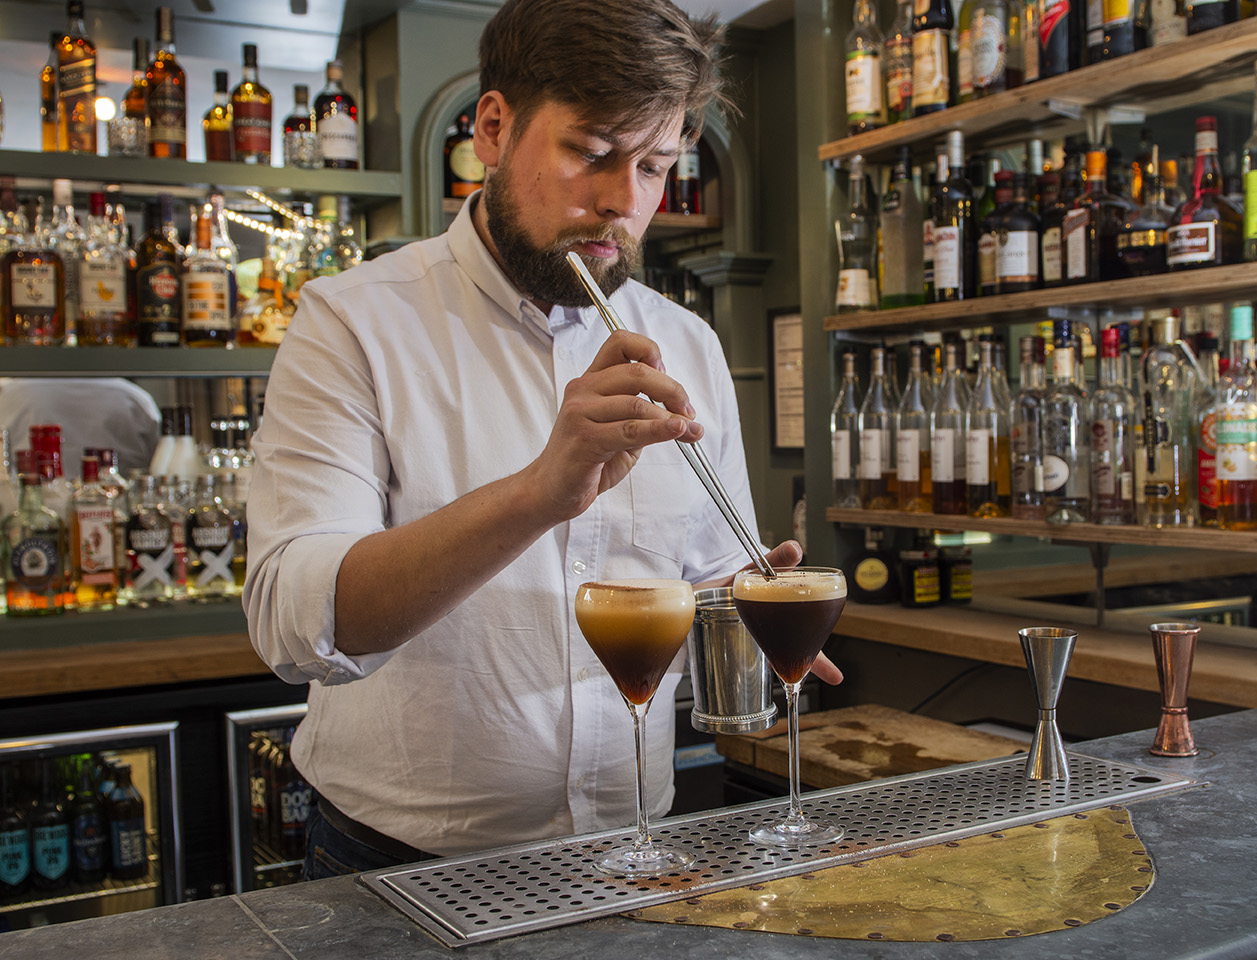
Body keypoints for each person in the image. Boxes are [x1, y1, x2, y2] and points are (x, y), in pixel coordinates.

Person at [243, 0, 837, 878]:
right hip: (398, 865)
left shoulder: (690, 345)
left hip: (636, 845)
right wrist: (537, 492)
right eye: (591, 152)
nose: (621, 203)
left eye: (654, 165)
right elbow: (294, 624)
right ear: (493, 127)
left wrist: (749, 604)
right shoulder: (354, 322)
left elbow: (710, 569)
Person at [0, 377, 160, 478]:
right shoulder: (134, 397)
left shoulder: (11, 395)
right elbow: (159, 467)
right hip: (116, 517)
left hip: (30, 519)